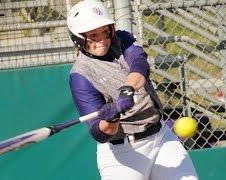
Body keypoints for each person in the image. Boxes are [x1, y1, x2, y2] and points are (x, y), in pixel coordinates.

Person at [67, 0, 198, 179]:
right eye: (94, 35)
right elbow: (99, 133)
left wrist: (127, 90)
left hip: (160, 136)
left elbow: (140, 64)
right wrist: (112, 118)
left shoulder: (122, 40)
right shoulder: (80, 76)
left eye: (105, 32)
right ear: (79, 39)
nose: (103, 40)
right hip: (123, 153)